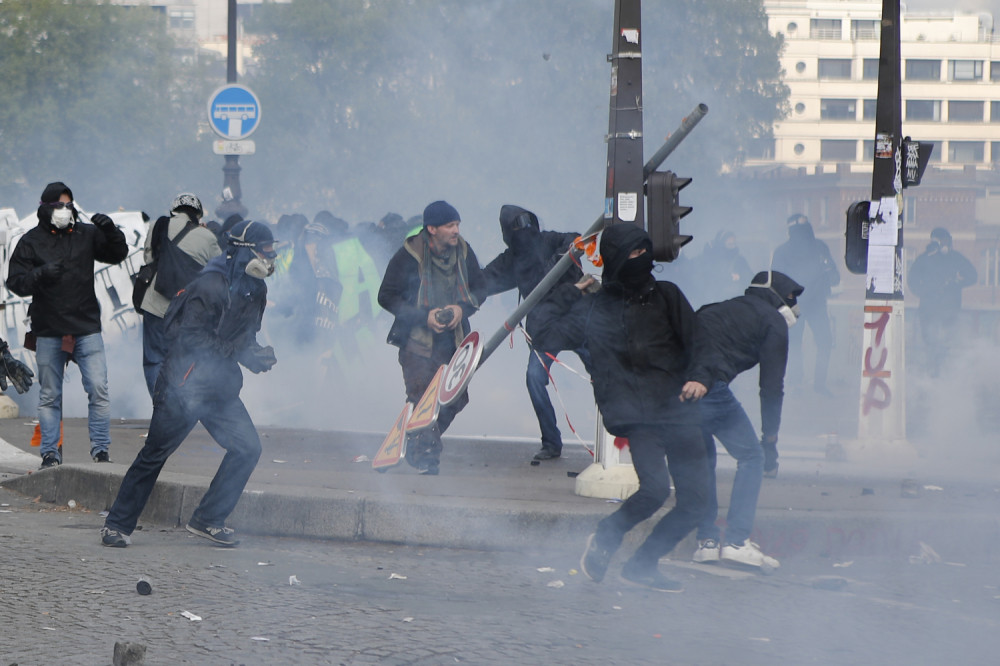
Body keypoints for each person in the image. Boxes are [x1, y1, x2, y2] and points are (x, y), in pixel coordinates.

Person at [535, 223, 713, 592]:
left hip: (679, 410)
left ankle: (643, 565)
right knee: (655, 490)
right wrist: (571, 292)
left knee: (697, 502)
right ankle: (605, 537)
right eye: (631, 254)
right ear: (615, 258)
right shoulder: (594, 309)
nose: (640, 260)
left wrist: (700, 378)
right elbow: (542, 331)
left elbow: (700, 345)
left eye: (644, 252)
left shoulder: (667, 296)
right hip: (639, 417)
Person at [100, 221, 278, 548]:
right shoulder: (211, 285)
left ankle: (208, 519)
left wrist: (256, 354)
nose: (271, 256)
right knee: (154, 454)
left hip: (219, 390)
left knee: (248, 448)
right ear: (243, 250)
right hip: (183, 388)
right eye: (265, 250)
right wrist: (238, 352)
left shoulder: (257, 289)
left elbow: (245, 335)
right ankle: (116, 525)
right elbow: (191, 337)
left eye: (272, 250)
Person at [5, 181, 128, 468]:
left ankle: (101, 450)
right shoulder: (31, 241)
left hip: (86, 327)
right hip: (48, 329)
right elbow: (15, 282)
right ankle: (50, 452)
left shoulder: (87, 234)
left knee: (98, 389)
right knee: (49, 396)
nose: (64, 210)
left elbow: (117, 254)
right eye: (58, 205)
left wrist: (110, 230)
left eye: (68, 205)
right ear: (46, 208)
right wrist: (40, 274)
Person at [689, 271, 804, 569]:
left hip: (681, 388)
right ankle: (737, 541)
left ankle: (707, 541)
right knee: (751, 457)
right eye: (792, 297)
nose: (795, 305)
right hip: (710, 387)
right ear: (777, 295)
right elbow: (771, 388)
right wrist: (770, 439)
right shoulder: (773, 322)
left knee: (703, 460)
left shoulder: (717, 308)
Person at [377, 200, 487, 475]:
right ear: (432, 228)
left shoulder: (463, 251)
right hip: (417, 342)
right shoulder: (408, 256)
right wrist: (423, 316)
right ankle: (427, 456)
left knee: (457, 399)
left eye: (458, 224)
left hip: (454, 342)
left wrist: (461, 308)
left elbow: (481, 288)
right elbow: (386, 296)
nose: (456, 230)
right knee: (422, 396)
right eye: (450, 225)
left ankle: (417, 444)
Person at [482, 205, 592, 462]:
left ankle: (620, 433)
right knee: (534, 378)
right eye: (516, 226)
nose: (524, 231)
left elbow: (576, 239)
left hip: (577, 319)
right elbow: (482, 281)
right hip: (545, 328)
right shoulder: (511, 260)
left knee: (605, 372)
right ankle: (551, 442)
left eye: (526, 223)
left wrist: (562, 258)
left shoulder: (549, 239)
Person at [138, 193, 222, 396]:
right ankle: (181, 408)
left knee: (154, 360)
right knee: (185, 360)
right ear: (198, 215)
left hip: (156, 304)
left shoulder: (158, 226)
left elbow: (149, 258)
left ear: (174, 210)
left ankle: (160, 407)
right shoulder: (208, 237)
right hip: (188, 310)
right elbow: (218, 270)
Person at [771, 214, 840, 395]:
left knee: (825, 341)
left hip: (816, 303)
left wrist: (829, 275)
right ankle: (796, 382)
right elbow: (776, 280)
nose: (804, 232)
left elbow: (834, 274)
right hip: (795, 304)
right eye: (800, 227)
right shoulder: (783, 252)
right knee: (794, 343)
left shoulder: (819, 248)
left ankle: (819, 383)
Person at [907, 227, 978, 377]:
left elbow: (973, 275)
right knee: (929, 345)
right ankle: (930, 373)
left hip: (949, 310)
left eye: (946, 241)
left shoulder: (956, 258)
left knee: (947, 345)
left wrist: (957, 283)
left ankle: (944, 374)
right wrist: (924, 292)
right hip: (928, 310)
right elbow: (911, 280)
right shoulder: (924, 258)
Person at [693, 230, 753, 307]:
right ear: (721, 243)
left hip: (734, 300)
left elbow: (749, 277)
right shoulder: (710, 259)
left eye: (733, 243)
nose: (732, 245)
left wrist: (740, 277)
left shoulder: (739, 260)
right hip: (713, 300)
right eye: (729, 243)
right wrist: (728, 277)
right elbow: (705, 276)